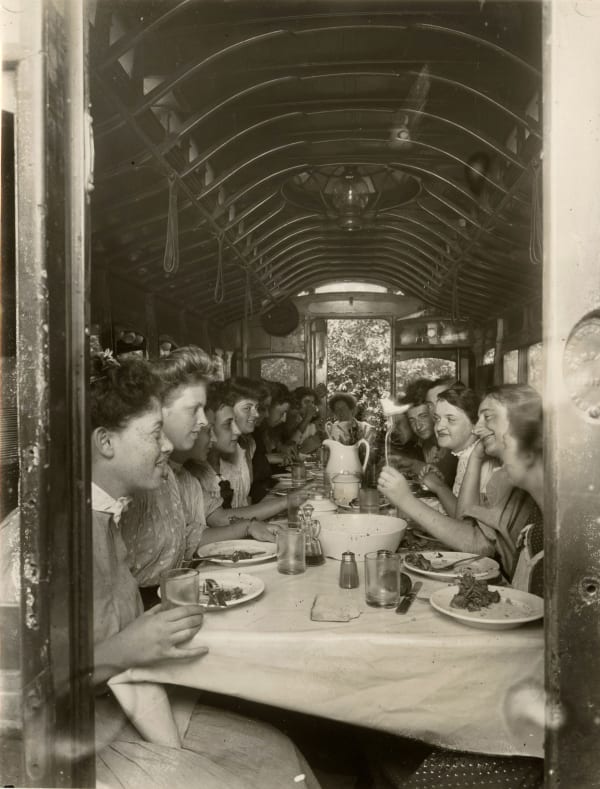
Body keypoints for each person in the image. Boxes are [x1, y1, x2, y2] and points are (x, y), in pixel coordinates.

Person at [87, 352, 320, 789]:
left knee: (277, 752)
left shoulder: (108, 519)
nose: (169, 445)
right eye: (156, 432)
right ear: (105, 442)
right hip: (72, 744)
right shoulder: (45, 537)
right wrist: (123, 650)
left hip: (120, 701)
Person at [182, 381, 288, 524]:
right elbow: (218, 520)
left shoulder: (243, 448)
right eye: (247, 408)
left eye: (257, 408)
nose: (257, 414)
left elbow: (244, 503)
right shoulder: (186, 471)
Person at [284, 386, 325, 454]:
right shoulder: (290, 416)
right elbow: (290, 443)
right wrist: (308, 417)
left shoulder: (310, 420)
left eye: (312, 402)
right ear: (297, 402)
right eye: (306, 402)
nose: (311, 406)